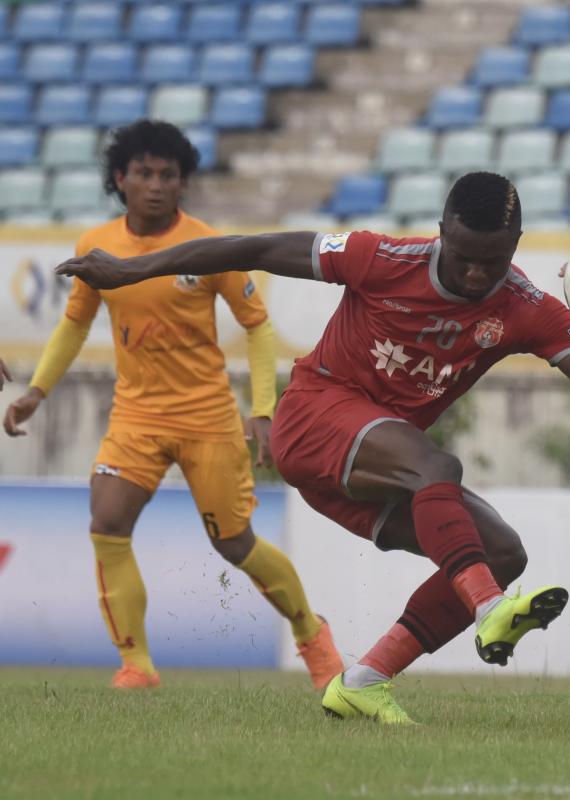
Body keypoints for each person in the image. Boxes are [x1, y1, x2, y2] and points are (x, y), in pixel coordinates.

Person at [56, 171, 570, 726]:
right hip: (314, 421)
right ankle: (489, 609)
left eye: (493, 261)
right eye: (463, 256)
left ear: (516, 243)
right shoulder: (378, 258)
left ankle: (365, 680)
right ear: (442, 231)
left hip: (375, 470)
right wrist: (133, 269)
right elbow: (254, 248)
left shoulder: (525, 307)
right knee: (435, 466)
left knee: (502, 551)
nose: (475, 275)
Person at [4, 120, 342, 690]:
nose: (157, 186)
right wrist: (37, 391)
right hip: (135, 416)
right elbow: (75, 323)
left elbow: (257, 325)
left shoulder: (208, 247)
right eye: (145, 173)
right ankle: (136, 665)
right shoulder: (95, 246)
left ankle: (311, 632)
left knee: (233, 543)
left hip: (207, 417)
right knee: (107, 523)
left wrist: (262, 410)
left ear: (183, 183)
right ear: (121, 178)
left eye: (169, 175)